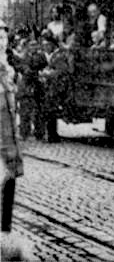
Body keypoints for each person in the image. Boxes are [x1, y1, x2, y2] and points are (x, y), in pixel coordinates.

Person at [0, 19, 31, 260]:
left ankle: (5, 238)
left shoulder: (7, 70)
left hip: (9, 145)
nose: (1, 43)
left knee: (8, 194)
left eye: (3, 38)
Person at [39, 31, 75, 141]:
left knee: (51, 111)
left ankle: (52, 135)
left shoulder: (59, 56)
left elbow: (60, 71)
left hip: (56, 87)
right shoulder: (55, 55)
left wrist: (46, 73)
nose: (45, 47)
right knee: (49, 111)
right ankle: (51, 134)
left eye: (47, 45)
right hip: (52, 86)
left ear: (52, 45)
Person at [12, 38, 47, 140]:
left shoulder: (41, 56)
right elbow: (19, 67)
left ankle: (39, 133)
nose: (33, 48)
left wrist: (33, 72)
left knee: (39, 111)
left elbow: (43, 67)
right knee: (25, 111)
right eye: (31, 46)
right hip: (26, 85)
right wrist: (24, 70)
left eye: (35, 45)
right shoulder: (24, 56)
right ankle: (24, 133)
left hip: (37, 85)